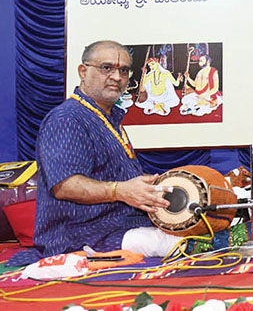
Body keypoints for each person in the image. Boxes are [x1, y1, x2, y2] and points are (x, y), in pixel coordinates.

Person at [28, 41, 181, 260]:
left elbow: (120, 180)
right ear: (83, 71)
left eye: (124, 70)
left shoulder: (108, 119)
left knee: (203, 224)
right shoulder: (67, 119)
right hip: (82, 235)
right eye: (106, 68)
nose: (117, 77)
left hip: (123, 225)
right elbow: (65, 186)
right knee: (183, 243)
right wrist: (121, 191)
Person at [179, 52, 222, 117]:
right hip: (197, 95)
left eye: (202, 60)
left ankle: (196, 106)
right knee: (184, 100)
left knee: (199, 111)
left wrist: (205, 95)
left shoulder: (213, 71)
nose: (199, 62)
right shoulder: (200, 72)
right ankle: (194, 106)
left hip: (207, 95)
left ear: (208, 62)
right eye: (199, 60)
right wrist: (188, 78)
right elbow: (195, 84)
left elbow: (215, 88)